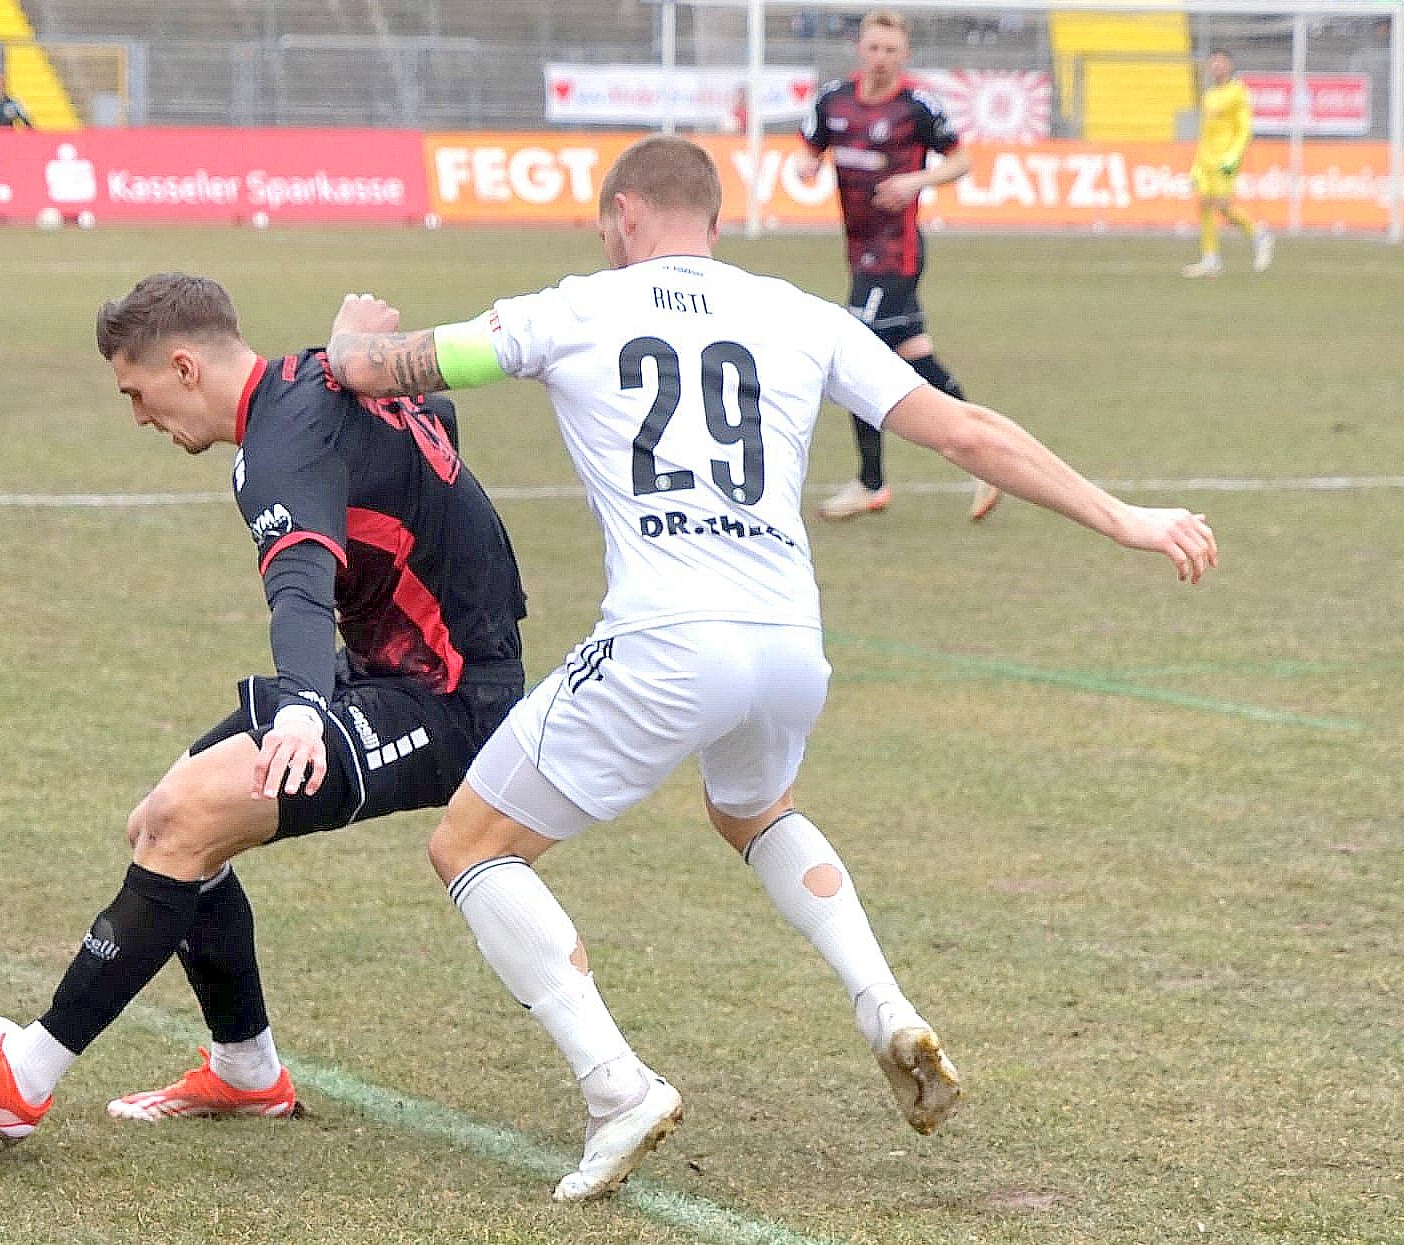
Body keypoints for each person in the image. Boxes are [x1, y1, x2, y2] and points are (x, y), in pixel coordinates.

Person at [325, 134, 1219, 1201]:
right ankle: (884, 1005)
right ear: (715, 220)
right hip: (790, 640)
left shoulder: (573, 309)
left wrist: (352, 336)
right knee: (752, 809)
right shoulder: (801, 314)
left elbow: (386, 369)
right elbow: (965, 433)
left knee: (469, 845)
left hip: (666, 636)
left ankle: (616, 1087)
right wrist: (1125, 516)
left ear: (623, 215)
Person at [0, 273, 529, 1145]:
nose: (138, 417)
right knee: (159, 818)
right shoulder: (313, 380)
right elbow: (431, 423)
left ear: (184, 367)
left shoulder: (279, 443)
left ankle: (21, 1078)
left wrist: (301, 708)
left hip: (453, 697)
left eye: (136, 392)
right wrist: (354, 354)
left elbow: (300, 587)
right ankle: (247, 1071)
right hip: (393, 668)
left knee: (188, 818)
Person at [793, 9, 1001, 523]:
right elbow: (810, 148)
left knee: (854, 354)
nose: (881, 58)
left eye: (891, 50)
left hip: (897, 253)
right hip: (859, 250)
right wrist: (807, 164)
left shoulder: (917, 106)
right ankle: (990, 459)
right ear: (860, 49)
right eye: (874, 47)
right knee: (914, 356)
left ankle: (872, 482)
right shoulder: (833, 100)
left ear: (904, 55)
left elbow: (962, 161)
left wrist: (916, 181)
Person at [1185, 50, 1274, 278]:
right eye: (1213, 63)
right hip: (1206, 159)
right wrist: (1196, 165)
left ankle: (1258, 234)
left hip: (1225, 158)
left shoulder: (1238, 92)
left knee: (1223, 206)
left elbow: (1244, 128)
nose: (1217, 67)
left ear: (1230, 65)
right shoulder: (1209, 95)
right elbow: (1204, 133)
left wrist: (1233, 156)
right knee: (1204, 205)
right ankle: (1211, 259)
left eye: (1221, 63)